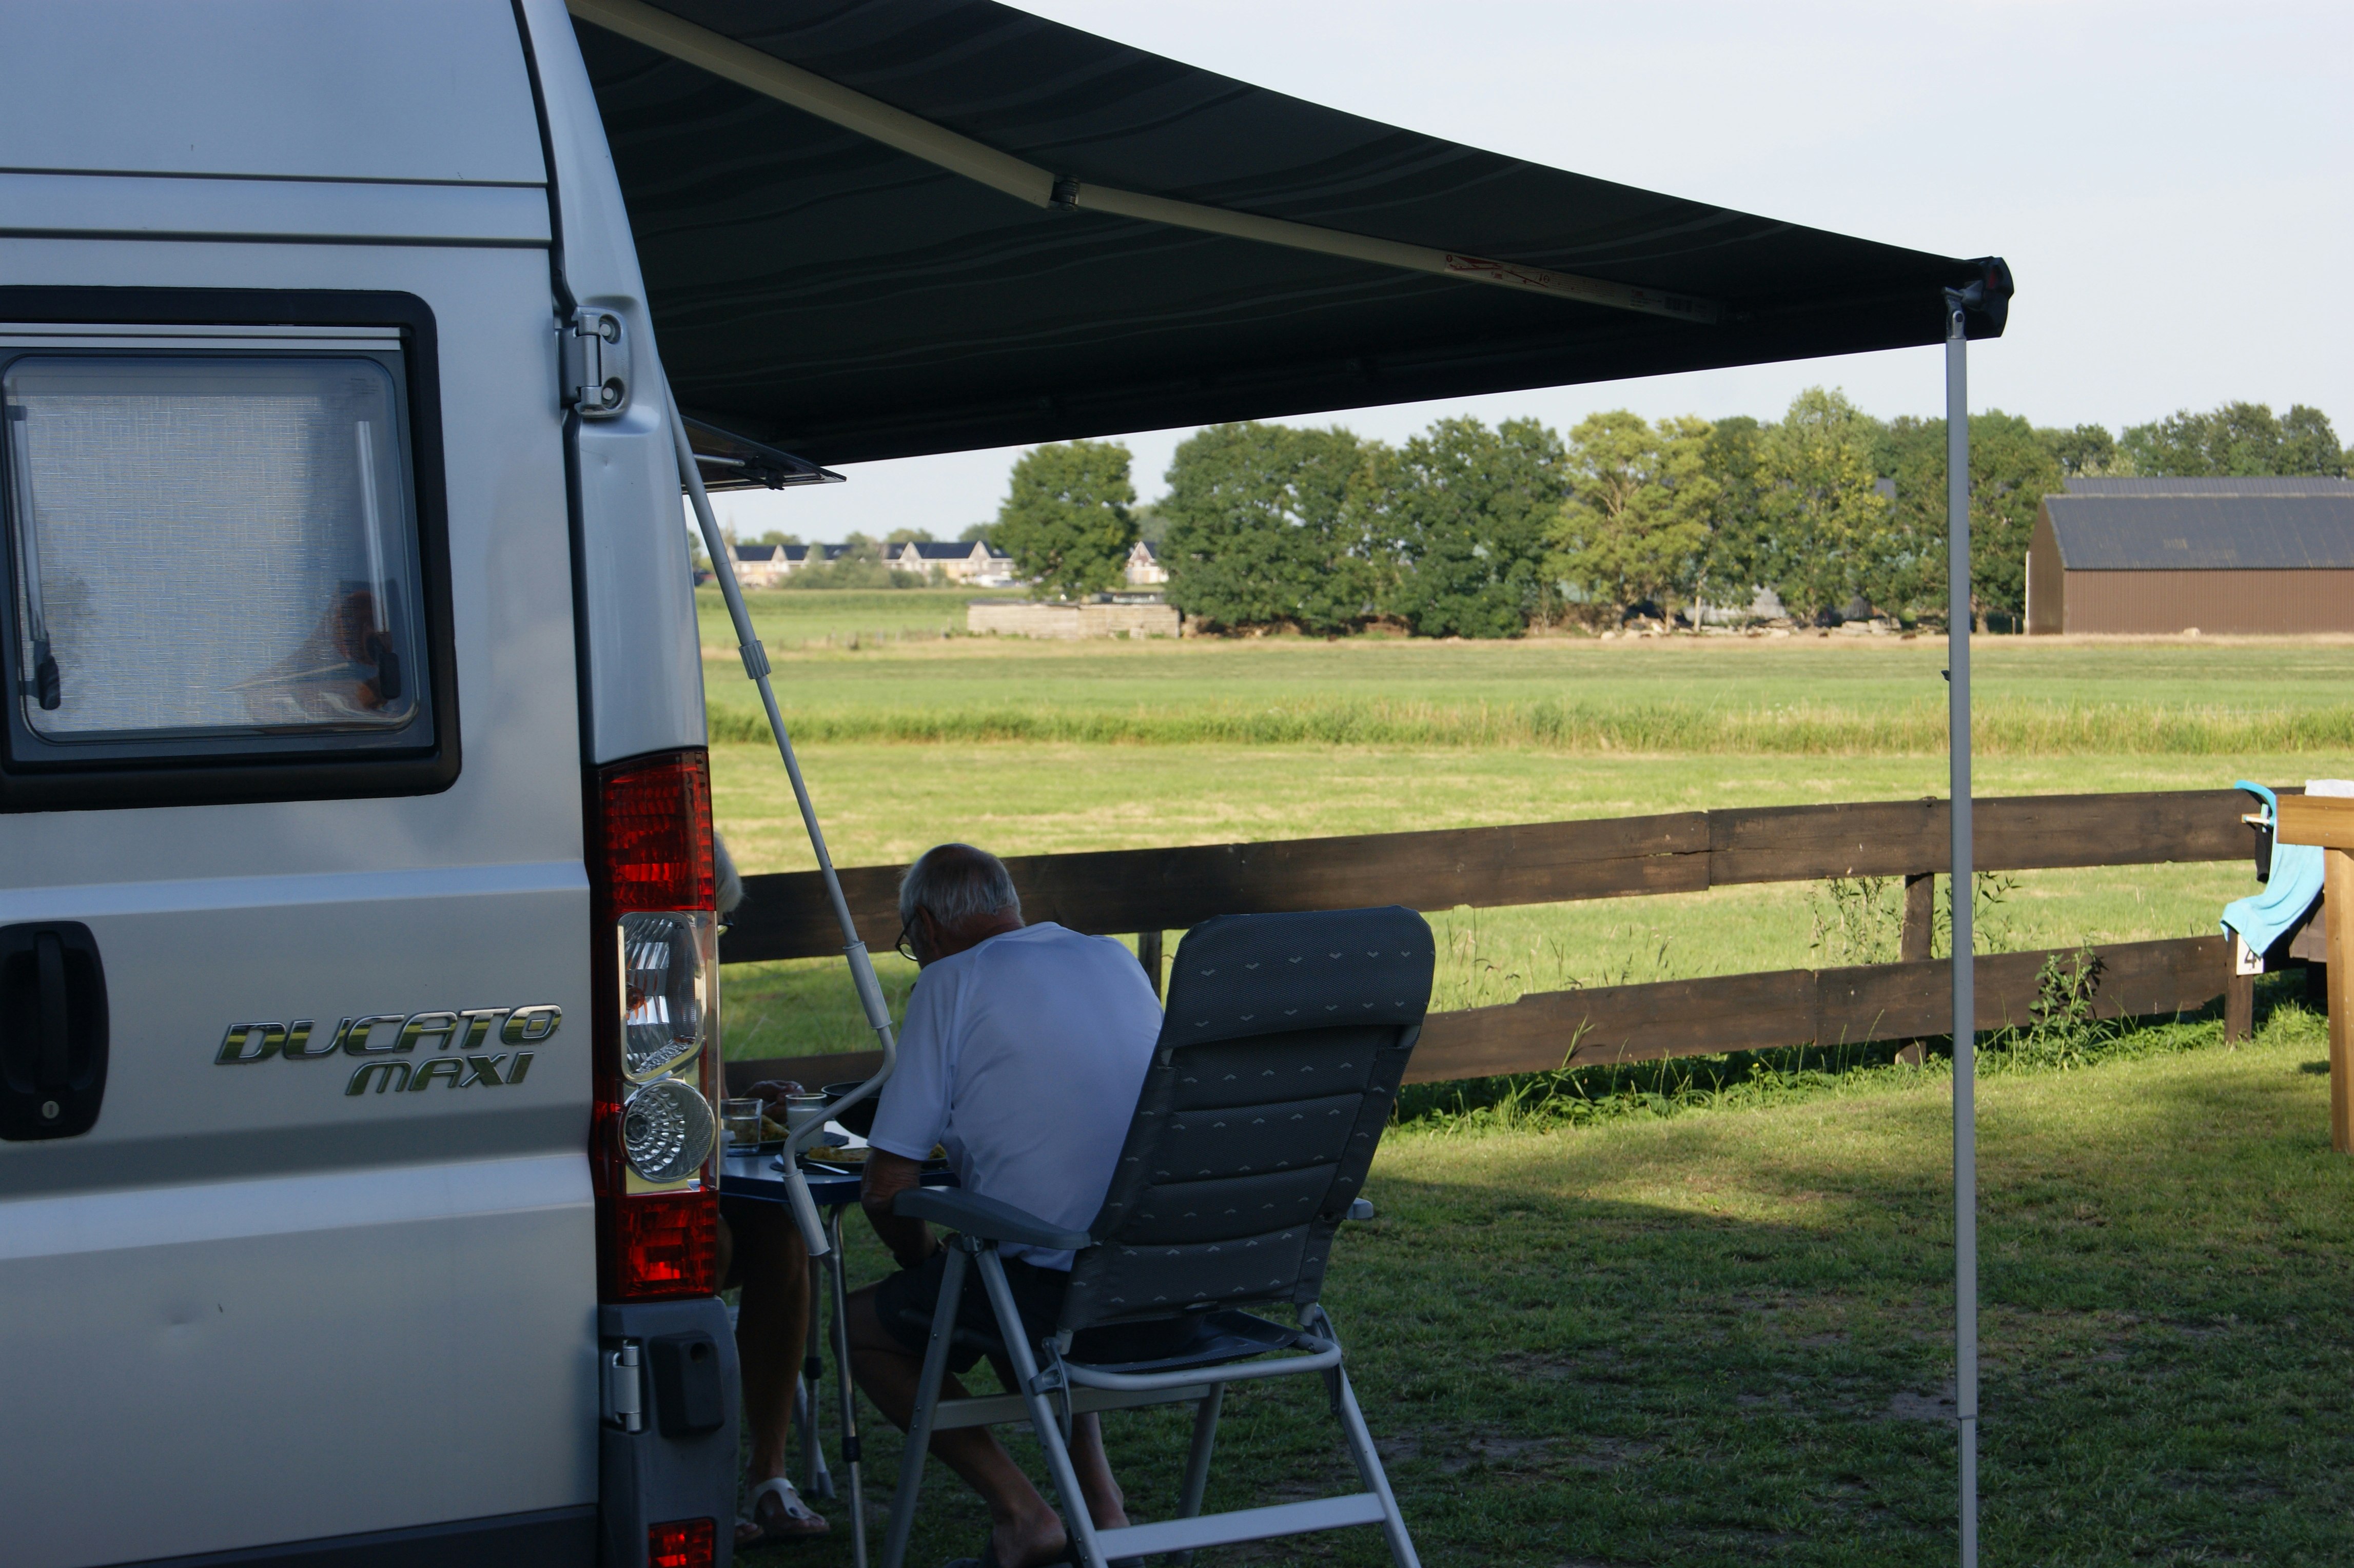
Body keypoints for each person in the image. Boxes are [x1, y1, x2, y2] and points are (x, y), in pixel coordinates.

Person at [845, 843, 1164, 1568]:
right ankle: (1104, 1509)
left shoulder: (950, 980)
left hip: (1066, 1300)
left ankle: (1023, 1516)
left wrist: (920, 1259)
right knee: (1008, 1272)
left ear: (925, 928)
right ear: (1009, 905)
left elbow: (885, 1188)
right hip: (1172, 1284)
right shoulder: (1112, 958)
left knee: (868, 1324)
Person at [712, 833, 830, 1548]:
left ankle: (769, 1473)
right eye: (709, 918)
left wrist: (746, 1105)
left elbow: (704, 1108)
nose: (714, 936)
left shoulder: (690, 983)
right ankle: (695, 1477)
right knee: (714, 1242)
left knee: (785, 1235)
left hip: (701, 1183)